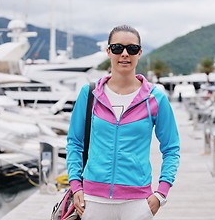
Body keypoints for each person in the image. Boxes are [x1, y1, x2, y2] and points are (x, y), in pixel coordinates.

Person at [66, 25, 180, 220]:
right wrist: (76, 185)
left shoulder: (156, 98)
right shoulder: (90, 94)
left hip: (137, 203)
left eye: (132, 49)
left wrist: (161, 193)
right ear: (109, 51)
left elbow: (171, 148)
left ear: (140, 53)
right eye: (118, 48)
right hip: (93, 200)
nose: (125, 54)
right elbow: (75, 142)